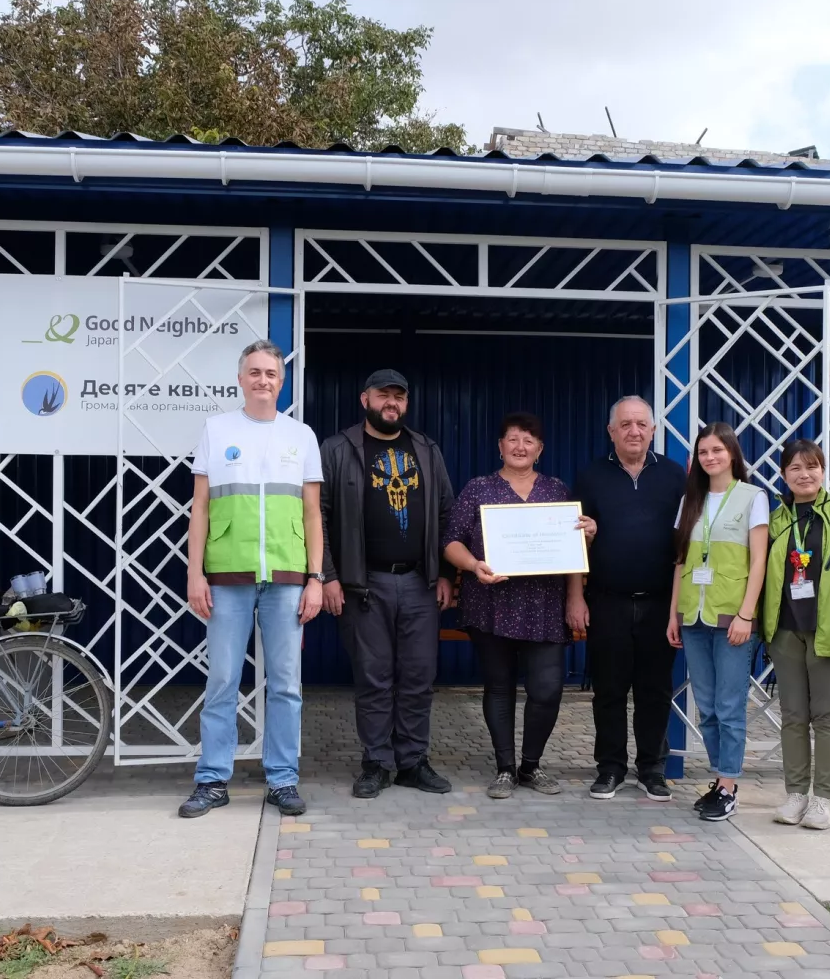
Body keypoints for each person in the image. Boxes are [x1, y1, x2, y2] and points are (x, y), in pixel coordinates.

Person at [180, 340, 324, 819]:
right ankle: (212, 779)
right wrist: (194, 572)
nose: (264, 380)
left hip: (286, 577)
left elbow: (311, 513)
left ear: (282, 383)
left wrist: (316, 578)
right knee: (222, 681)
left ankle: (282, 779)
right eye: (255, 372)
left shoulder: (300, 435)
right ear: (240, 378)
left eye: (272, 374)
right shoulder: (216, 429)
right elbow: (199, 507)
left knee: (286, 684)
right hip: (227, 577)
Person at [320, 369, 456, 798]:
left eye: (399, 396)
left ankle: (413, 761)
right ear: (366, 400)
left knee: (418, 676)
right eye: (384, 395)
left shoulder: (426, 449)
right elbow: (317, 517)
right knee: (374, 678)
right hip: (364, 585)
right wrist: (328, 575)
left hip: (419, 582)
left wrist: (448, 573)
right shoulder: (339, 449)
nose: (391, 403)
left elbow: (446, 513)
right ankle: (377, 761)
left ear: (406, 403)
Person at [443, 413, 592, 799]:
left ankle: (532, 765)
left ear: (539, 450)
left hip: (544, 605)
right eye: (512, 439)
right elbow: (451, 542)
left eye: (529, 440)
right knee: (499, 686)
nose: (520, 446)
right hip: (492, 604)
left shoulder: (558, 491)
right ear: (500, 446)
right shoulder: (478, 489)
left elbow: (573, 550)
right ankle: (505, 768)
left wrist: (576, 594)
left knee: (547, 689)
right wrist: (473, 565)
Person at [568, 395, 686, 803]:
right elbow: (573, 542)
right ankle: (610, 767)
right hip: (607, 600)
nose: (634, 431)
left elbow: (688, 544)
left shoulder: (675, 476)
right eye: (625, 424)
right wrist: (576, 597)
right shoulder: (590, 476)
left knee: (655, 691)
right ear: (611, 431)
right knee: (610, 691)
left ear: (653, 430)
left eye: (641, 424)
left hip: (660, 604)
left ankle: (652, 768)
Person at [761, 440, 830, 830]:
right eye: (794, 468)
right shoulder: (778, 518)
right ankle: (796, 794)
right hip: (786, 630)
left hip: (829, 632)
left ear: (823, 471)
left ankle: (824, 798)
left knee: (826, 715)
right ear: (783, 474)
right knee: (792, 716)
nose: (803, 474)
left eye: (811, 466)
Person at [667, 422, 769, 822]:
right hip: (693, 615)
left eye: (717, 450)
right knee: (706, 706)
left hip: (732, 617)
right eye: (703, 451)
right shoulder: (689, 500)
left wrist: (746, 613)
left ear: (732, 453)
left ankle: (728, 786)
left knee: (729, 706)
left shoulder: (752, 497)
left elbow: (759, 560)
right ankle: (720, 779)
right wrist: (673, 614)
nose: (710, 457)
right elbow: (680, 562)